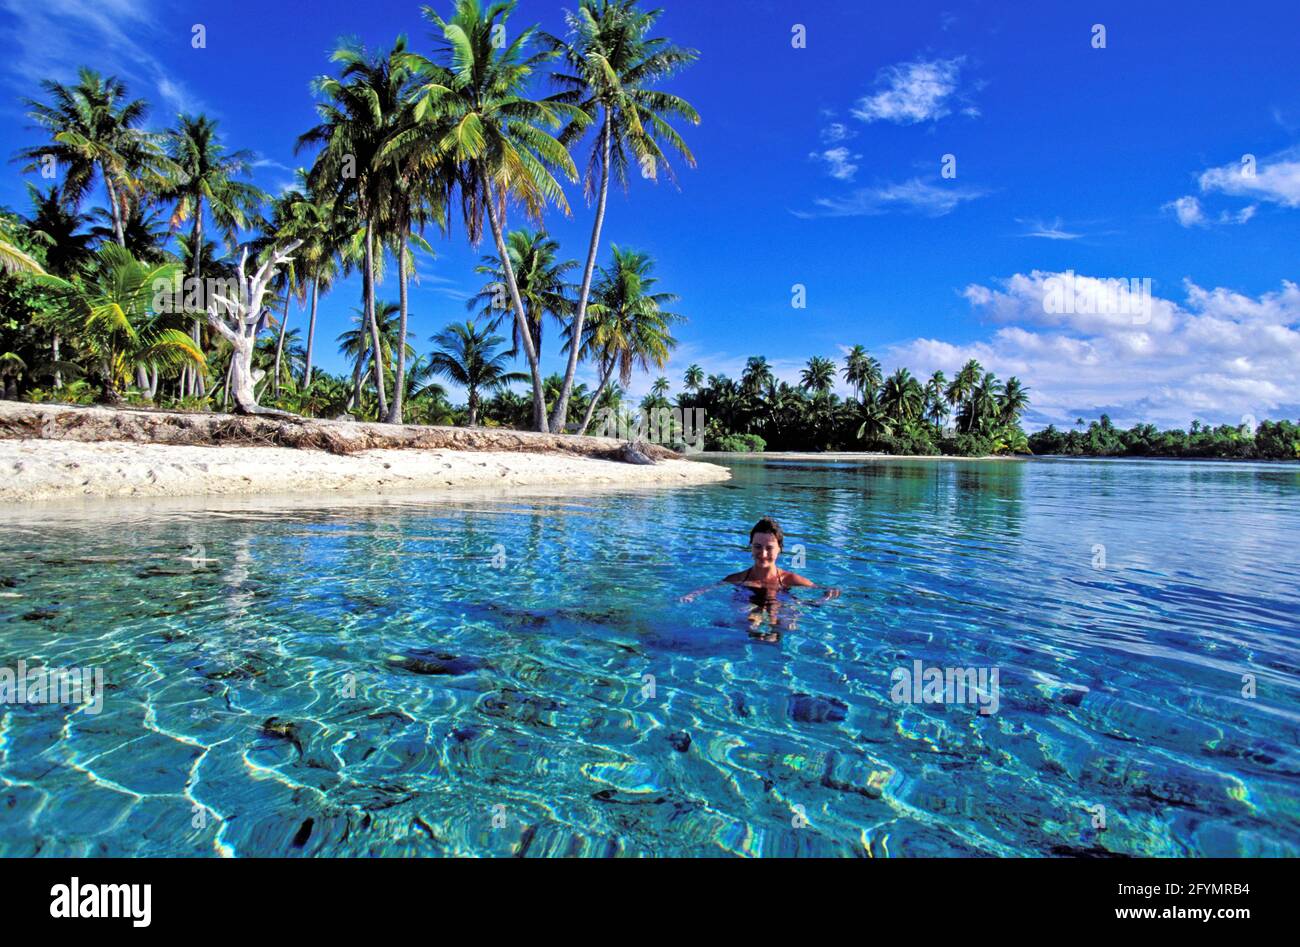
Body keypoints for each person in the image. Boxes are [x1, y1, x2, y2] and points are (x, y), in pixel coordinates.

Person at [679, 516, 840, 605]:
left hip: (780, 602)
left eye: (769, 548)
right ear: (750, 547)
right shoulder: (739, 578)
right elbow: (708, 588)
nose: (763, 554)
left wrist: (827, 595)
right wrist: (691, 595)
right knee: (747, 618)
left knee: (788, 623)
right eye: (757, 546)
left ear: (780, 549)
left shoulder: (789, 579)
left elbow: (823, 590)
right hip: (748, 602)